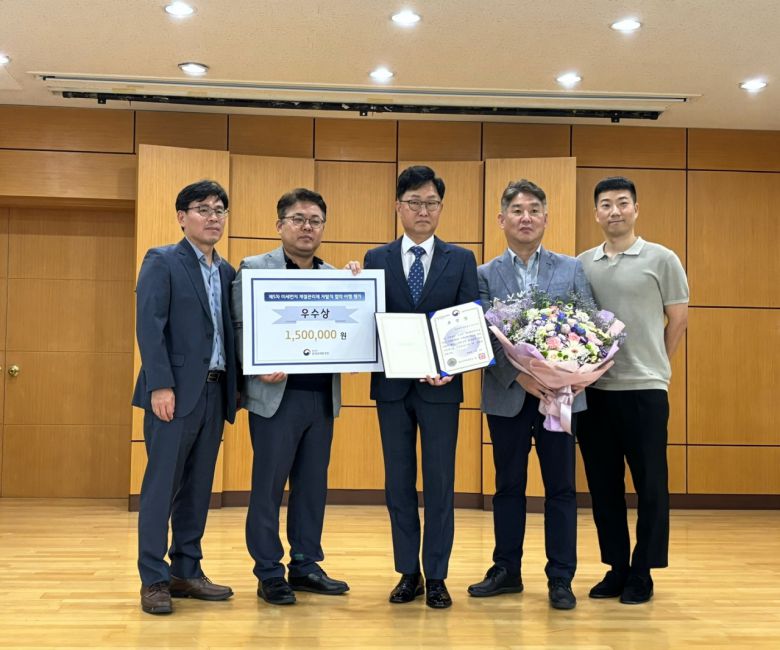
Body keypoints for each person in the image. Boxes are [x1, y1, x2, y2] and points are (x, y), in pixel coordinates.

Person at [467, 179, 593, 610]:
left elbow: (589, 324)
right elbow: (483, 336)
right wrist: (521, 378)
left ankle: (561, 577)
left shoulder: (571, 268)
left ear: (545, 218)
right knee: (508, 486)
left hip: (560, 397)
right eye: (517, 211)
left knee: (561, 488)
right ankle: (506, 570)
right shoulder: (483, 274)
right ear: (501, 219)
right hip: (509, 395)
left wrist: (564, 375)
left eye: (534, 210)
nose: (526, 218)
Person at [363, 165, 479, 609]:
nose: (423, 210)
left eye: (431, 202)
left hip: (440, 389)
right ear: (398, 207)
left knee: (440, 484)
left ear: (441, 207)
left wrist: (452, 367)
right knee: (398, 484)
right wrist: (352, 283)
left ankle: (438, 576)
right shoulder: (376, 259)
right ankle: (407, 572)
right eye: (414, 202)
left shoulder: (461, 259)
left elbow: (470, 321)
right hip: (392, 389)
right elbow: (367, 317)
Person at [231, 188, 354, 606]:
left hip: (321, 398)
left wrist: (358, 289)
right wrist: (255, 365)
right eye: (298, 219)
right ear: (279, 225)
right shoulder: (254, 269)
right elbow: (238, 328)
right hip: (275, 399)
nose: (307, 227)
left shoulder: (336, 276)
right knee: (268, 488)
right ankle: (269, 571)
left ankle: (305, 564)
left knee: (312, 487)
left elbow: (351, 330)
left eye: (315, 220)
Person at [577, 176, 689, 605]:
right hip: (595, 390)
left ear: (636, 209)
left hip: (645, 390)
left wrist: (657, 365)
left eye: (622, 203)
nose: (615, 211)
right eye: (606, 204)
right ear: (596, 213)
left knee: (651, 485)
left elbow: (678, 320)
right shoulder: (583, 264)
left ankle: (643, 571)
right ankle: (617, 568)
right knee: (603, 486)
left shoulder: (662, 258)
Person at [132, 179, 238, 615]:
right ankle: (154, 579)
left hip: (215, 391)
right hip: (173, 395)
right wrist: (160, 384)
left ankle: (186, 571)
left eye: (219, 210)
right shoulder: (162, 260)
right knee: (161, 488)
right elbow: (149, 325)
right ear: (182, 217)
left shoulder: (227, 271)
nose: (213, 218)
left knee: (197, 489)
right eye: (203, 209)